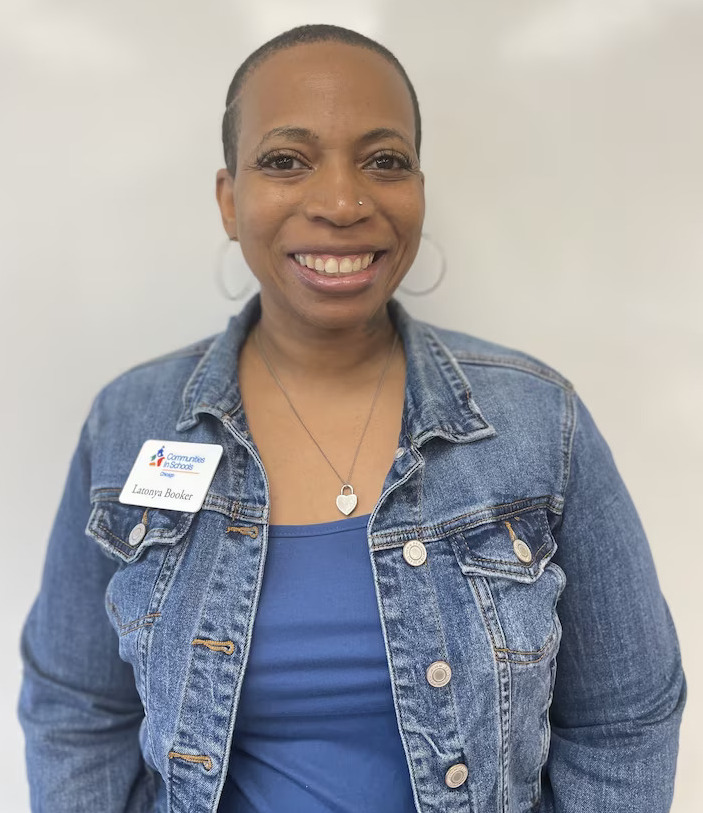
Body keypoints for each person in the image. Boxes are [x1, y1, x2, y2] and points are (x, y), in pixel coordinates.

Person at [18, 24, 685, 813]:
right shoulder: (130, 421)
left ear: (419, 188)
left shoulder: (538, 421)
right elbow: (75, 712)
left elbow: (625, 719)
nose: (341, 202)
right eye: (285, 160)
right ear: (231, 200)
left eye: (383, 160)